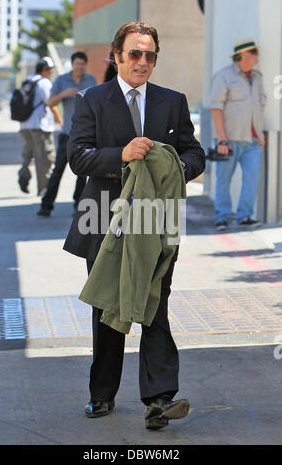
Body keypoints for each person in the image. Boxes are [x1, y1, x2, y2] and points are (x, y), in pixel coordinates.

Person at [64, 22, 205, 430]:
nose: (143, 61)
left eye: (150, 55)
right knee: (108, 306)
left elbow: (194, 151)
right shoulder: (92, 99)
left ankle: (160, 399)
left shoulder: (173, 101)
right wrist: (121, 154)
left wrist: (179, 166)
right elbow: (78, 157)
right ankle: (101, 396)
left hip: (157, 222)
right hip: (104, 218)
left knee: (155, 305)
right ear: (117, 56)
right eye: (135, 54)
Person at [209, 38, 266, 231]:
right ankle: (222, 217)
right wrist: (222, 139)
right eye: (254, 54)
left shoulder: (257, 77)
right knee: (224, 180)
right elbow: (215, 108)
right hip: (229, 140)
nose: (257, 57)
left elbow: (258, 107)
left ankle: (244, 216)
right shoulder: (223, 76)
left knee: (251, 179)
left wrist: (260, 133)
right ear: (242, 56)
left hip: (253, 141)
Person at [37, 52, 97, 216]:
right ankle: (46, 205)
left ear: (85, 65)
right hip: (67, 133)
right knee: (58, 170)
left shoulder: (90, 80)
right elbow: (50, 103)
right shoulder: (61, 80)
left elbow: (97, 104)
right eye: (76, 63)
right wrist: (64, 94)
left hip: (86, 133)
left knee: (83, 172)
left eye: (82, 64)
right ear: (72, 64)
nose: (79, 66)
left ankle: (79, 205)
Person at [18, 56, 62, 196]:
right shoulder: (44, 82)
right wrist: (60, 119)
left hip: (24, 125)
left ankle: (23, 175)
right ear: (44, 70)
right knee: (45, 157)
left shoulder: (28, 80)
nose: (51, 72)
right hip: (40, 126)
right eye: (50, 70)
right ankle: (43, 189)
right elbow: (50, 102)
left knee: (28, 155)